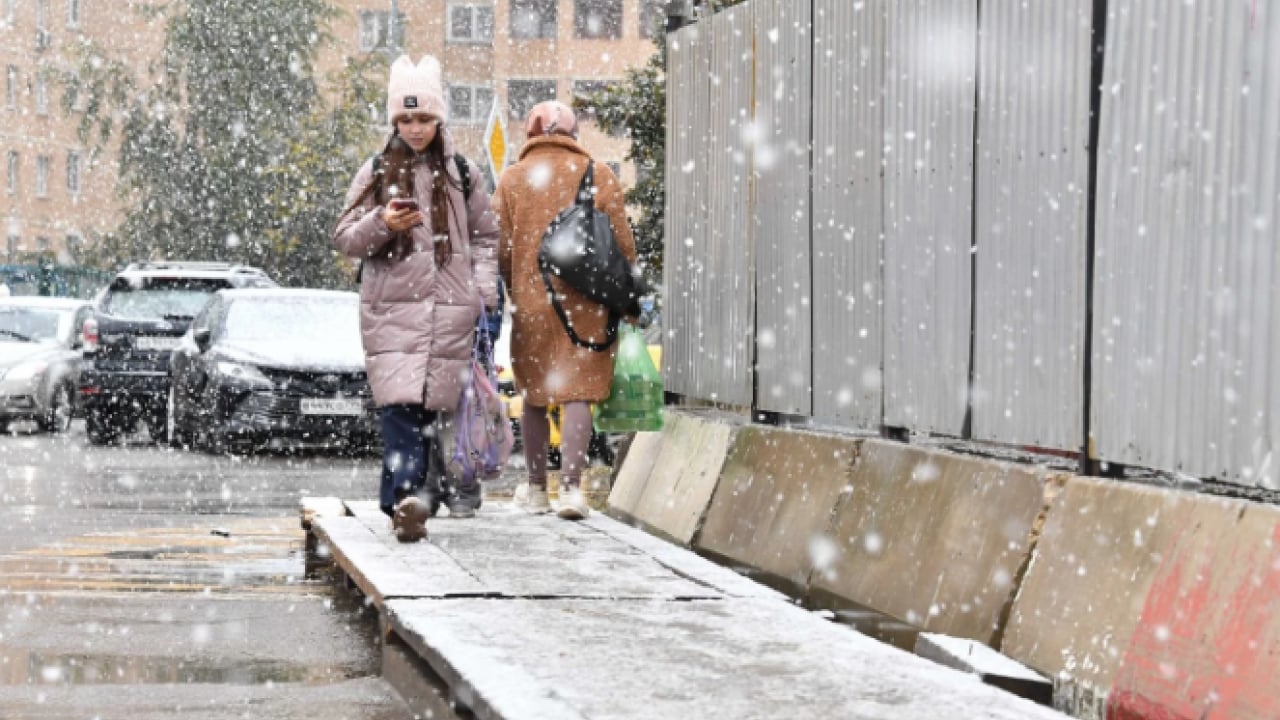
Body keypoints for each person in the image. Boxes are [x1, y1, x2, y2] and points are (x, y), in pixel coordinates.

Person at [333, 55, 500, 541]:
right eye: (405, 119)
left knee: (438, 411)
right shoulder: (376, 170)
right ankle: (404, 500)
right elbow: (345, 238)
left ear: (439, 117)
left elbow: (487, 237)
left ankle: (425, 498)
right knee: (400, 409)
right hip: (392, 312)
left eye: (423, 117)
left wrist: (483, 291)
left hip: (451, 314)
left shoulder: (463, 174)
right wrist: (384, 223)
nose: (414, 128)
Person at [492, 101, 638, 520]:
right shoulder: (598, 174)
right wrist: (625, 296)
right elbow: (623, 245)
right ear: (573, 134)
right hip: (587, 302)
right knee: (579, 393)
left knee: (535, 394)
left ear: (530, 133)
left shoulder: (512, 180)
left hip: (533, 302)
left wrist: (516, 283)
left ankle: (537, 487)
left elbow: (500, 248)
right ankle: (572, 489)